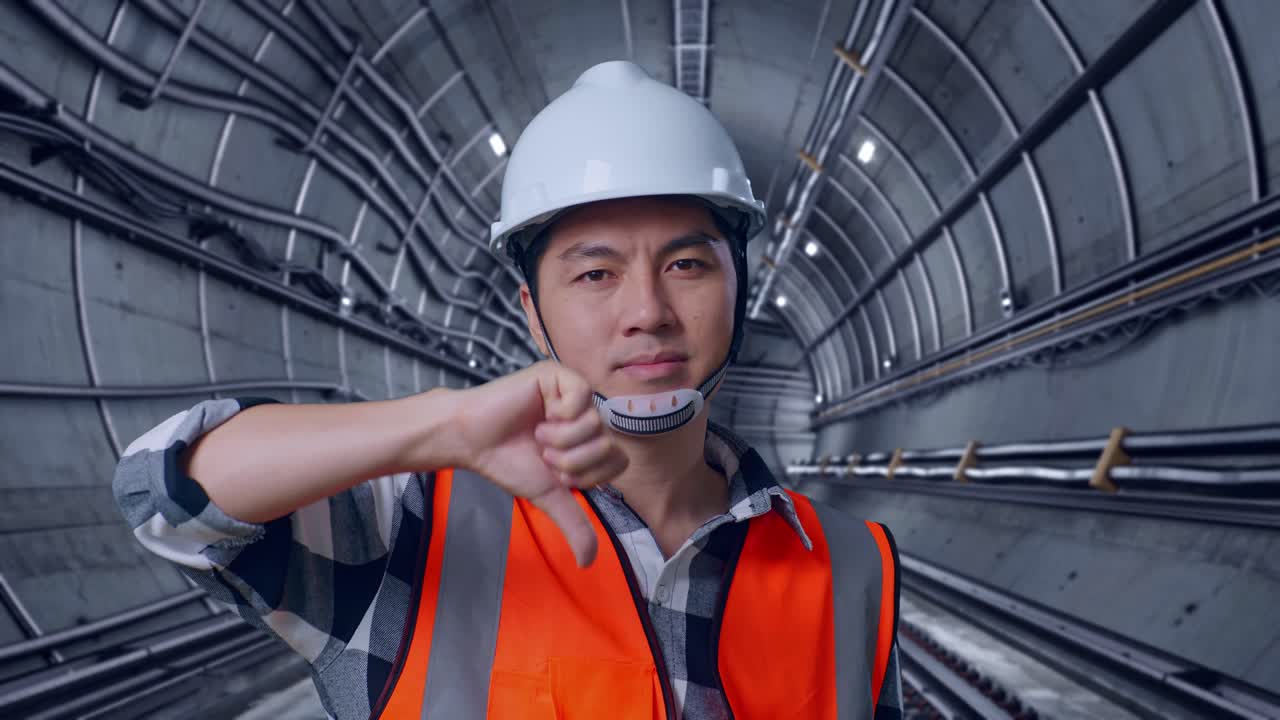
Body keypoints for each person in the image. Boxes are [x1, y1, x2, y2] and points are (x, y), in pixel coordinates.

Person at [114, 60, 901, 719]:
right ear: (532, 313)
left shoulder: (851, 565)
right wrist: (438, 426)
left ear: (742, 288)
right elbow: (167, 497)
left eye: (687, 265)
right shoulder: (410, 532)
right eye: (596, 273)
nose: (648, 312)